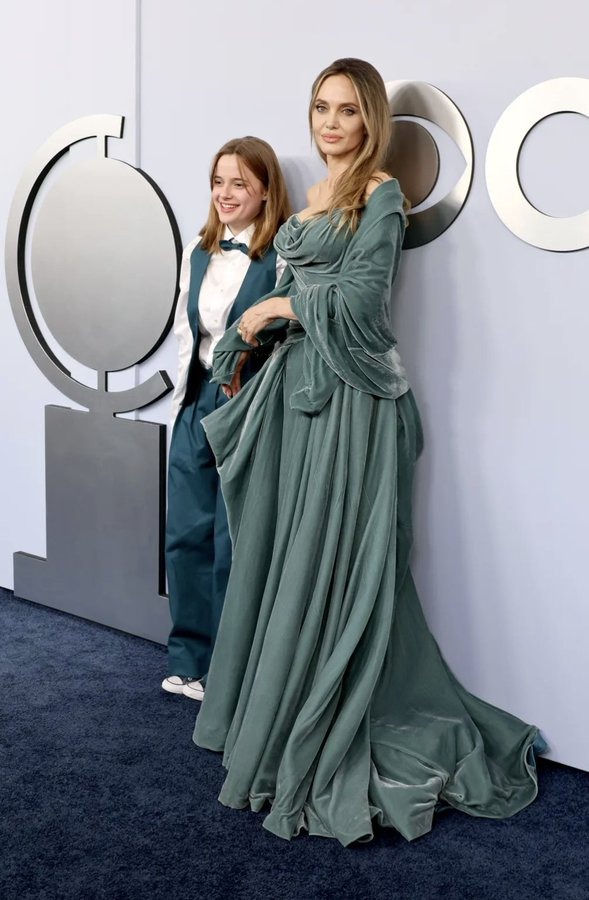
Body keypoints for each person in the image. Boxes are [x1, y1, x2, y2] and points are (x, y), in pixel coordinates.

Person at [192, 59, 545, 843]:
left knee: (333, 564)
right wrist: (257, 336)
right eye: (320, 107)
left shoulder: (378, 192)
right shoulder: (314, 195)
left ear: (370, 120)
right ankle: (280, 712)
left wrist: (282, 303)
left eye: (346, 111)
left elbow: (362, 306)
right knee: (289, 558)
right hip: (298, 398)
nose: (329, 124)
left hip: (354, 404)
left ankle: (333, 722)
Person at [163, 136, 291, 701]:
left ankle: (228, 668)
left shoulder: (284, 253)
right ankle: (187, 658)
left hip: (248, 405)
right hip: (197, 400)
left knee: (232, 540)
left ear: (265, 191)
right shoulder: (198, 249)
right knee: (185, 531)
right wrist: (186, 397)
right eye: (218, 181)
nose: (225, 193)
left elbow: (294, 332)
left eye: (239, 182)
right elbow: (186, 331)